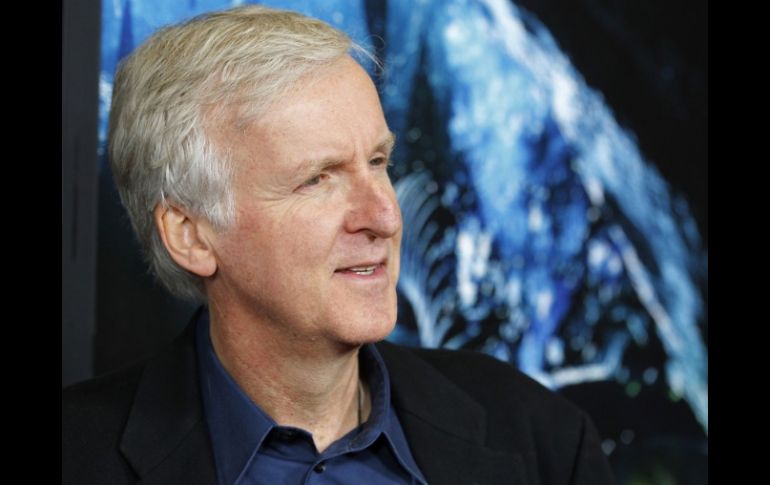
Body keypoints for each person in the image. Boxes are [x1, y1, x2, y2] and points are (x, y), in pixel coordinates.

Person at [62, 5, 614, 484]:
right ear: (190, 235)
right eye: (318, 179)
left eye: (378, 162)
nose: (385, 216)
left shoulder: (541, 438)